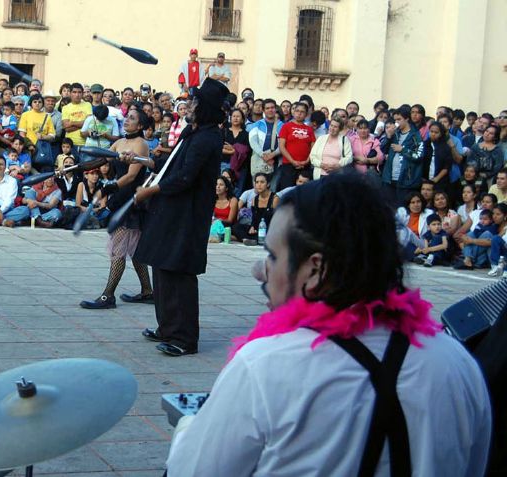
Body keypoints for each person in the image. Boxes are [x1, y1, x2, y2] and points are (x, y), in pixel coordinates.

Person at [166, 173, 491, 476]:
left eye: (273, 256)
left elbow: (192, 470)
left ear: (315, 269)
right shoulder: (458, 364)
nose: (260, 272)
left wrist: (188, 429)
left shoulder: (265, 366)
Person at [133, 78, 228, 357]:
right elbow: (171, 164)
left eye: (195, 102)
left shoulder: (208, 138)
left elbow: (185, 177)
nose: (189, 105)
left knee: (180, 273)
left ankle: (184, 338)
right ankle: (167, 327)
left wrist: (150, 191)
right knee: (162, 266)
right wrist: (142, 161)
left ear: (206, 108)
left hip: (188, 214)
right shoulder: (193, 132)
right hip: (172, 210)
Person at [80, 110, 153, 309]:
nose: (127, 120)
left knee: (118, 250)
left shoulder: (141, 144)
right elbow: (102, 160)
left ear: (139, 126)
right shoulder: (119, 142)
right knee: (135, 251)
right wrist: (79, 167)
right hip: (121, 198)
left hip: (131, 201)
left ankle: (108, 296)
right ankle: (147, 291)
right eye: (127, 116)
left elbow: (131, 176)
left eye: (132, 118)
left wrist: (109, 187)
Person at [381, 106, 423, 205]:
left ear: (407, 119)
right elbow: (382, 150)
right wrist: (388, 136)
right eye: (395, 120)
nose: (396, 122)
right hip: (389, 179)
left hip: (406, 181)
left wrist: (403, 150)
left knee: (403, 210)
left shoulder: (415, 135)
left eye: (399, 119)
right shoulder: (394, 134)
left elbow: (419, 155)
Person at [277, 102, 315, 189]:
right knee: (287, 191)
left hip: (305, 166)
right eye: (297, 111)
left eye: (302, 112)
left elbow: (313, 147)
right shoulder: (286, 126)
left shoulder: (309, 129)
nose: (299, 113)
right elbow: (281, 146)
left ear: (306, 114)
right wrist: (292, 161)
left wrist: (307, 160)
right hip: (288, 165)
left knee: (303, 191)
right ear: (293, 112)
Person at [208, 176, 238, 243]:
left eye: (221, 185)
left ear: (226, 188)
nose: (218, 186)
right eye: (216, 184)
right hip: (214, 225)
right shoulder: (212, 200)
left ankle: (221, 236)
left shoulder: (233, 200)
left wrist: (219, 220)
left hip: (227, 226)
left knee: (217, 224)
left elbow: (230, 220)